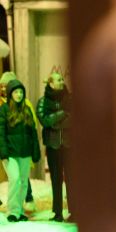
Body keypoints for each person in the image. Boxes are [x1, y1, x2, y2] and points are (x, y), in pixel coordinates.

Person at [0, 79, 41, 222]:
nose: (19, 94)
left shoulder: (27, 109)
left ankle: (19, 210)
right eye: (16, 92)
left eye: (21, 92)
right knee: (15, 179)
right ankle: (12, 210)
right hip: (10, 153)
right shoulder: (4, 110)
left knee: (23, 182)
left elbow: (33, 133)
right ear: (10, 94)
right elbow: (1, 132)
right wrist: (3, 151)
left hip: (25, 152)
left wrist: (35, 151)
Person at [37, 71, 71, 222]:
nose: (61, 81)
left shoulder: (70, 99)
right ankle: (57, 212)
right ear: (50, 83)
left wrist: (56, 122)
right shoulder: (43, 101)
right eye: (58, 79)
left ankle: (74, 211)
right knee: (56, 179)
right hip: (53, 146)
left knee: (72, 179)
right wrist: (63, 113)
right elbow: (45, 121)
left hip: (70, 146)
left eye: (62, 79)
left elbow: (75, 119)